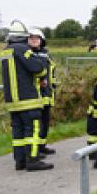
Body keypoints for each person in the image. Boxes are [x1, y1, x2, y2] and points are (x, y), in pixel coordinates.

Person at [0, 21, 53, 171]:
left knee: (18, 133)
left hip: (12, 100)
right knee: (32, 130)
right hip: (28, 99)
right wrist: (41, 70)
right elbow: (39, 69)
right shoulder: (23, 49)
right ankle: (33, 160)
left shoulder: (5, 51)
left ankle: (20, 161)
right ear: (24, 36)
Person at [28, 27, 57, 155]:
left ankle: (42, 145)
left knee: (45, 122)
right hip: (35, 95)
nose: (34, 40)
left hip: (47, 94)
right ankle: (35, 149)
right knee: (36, 124)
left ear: (42, 40)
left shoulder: (46, 54)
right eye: (31, 38)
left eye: (37, 38)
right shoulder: (27, 54)